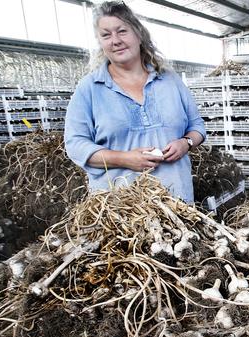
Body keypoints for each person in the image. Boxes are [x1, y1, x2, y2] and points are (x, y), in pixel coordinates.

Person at [64, 1, 205, 203]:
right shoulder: (89, 88)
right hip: (121, 213)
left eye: (122, 31)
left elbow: (197, 126)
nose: (115, 40)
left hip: (177, 204)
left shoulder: (170, 81)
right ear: (101, 43)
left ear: (139, 34)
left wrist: (186, 143)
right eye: (106, 35)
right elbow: (75, 145)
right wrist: (124, 159)